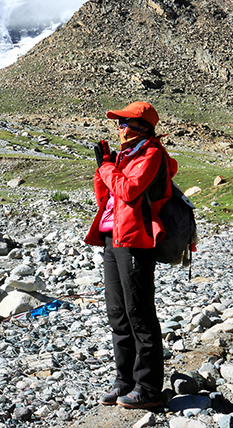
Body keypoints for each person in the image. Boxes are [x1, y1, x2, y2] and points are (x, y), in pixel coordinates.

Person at [85, 101, 177, 409]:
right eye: (120, 123)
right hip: (113, 237)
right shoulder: (127, 156)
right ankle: (124, 382)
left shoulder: (151, 154)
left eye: (125, 123)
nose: (120, 129)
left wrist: (107, 167)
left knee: (139, 314)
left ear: (143, 128)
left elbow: (129, 190)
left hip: (136, 240)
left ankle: (148, 387)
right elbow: (106, 195)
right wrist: (106, 166)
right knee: (118, 314)